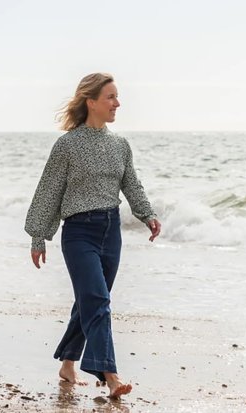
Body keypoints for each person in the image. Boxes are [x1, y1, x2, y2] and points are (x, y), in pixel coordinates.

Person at [24, 72, 161, 398]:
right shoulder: (67, 145)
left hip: (111, 232)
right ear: (92, 102)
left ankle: (68, 363)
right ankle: (110, 375)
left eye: (117, 96)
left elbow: (131, 185)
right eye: (111, 97)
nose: (118, 103)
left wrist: (147, 214)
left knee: (90, 301)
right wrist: (38, 236)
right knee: (97, 301)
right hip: (79, 234)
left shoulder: (120, 144)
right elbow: (49, 191)